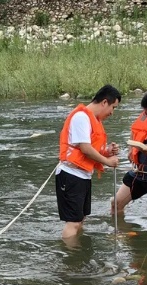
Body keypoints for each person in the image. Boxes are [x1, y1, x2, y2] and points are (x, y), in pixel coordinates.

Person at [56, 84, 121, 240]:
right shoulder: (81, 117)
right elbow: (85, 148)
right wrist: (107, 161)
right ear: (104, 102)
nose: (112, 112)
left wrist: (106, 151)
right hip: (71, 175)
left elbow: (89, 147)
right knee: (73, 222)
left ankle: (78, 253)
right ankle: (71, 261)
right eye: (113, 107)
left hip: (83, 175)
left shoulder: (94, 120)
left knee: (81, 219)